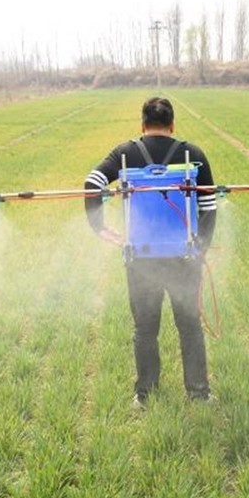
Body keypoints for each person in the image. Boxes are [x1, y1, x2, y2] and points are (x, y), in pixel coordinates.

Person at [83, 97, 217, 407]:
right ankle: (199, 394)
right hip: (183, 257)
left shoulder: (125, 153)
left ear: (142, 125)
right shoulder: (193, 155)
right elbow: (208, 207)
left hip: (141, 258)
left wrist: (99, 227)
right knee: (189, 326)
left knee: (145, 328)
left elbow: (92, 183)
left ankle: (145, 396)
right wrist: (201, 247)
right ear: (172, 125)